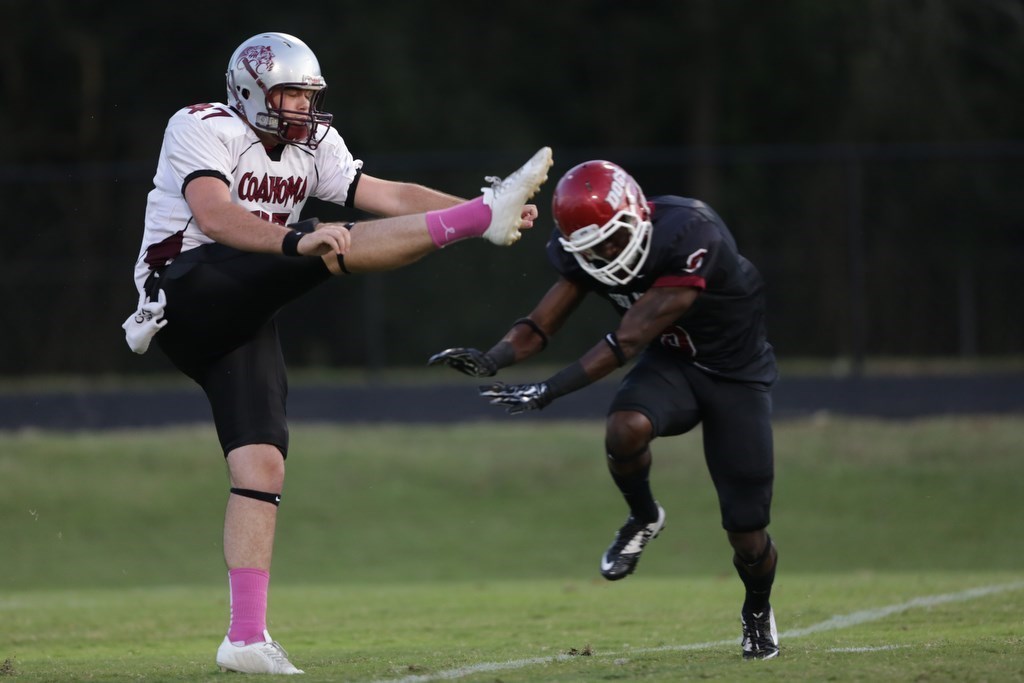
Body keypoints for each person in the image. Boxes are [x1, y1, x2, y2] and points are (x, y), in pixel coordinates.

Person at [122, 31, 552, 675]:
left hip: (243, 312)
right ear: (250, 92)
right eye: (290, 93)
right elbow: (213, 217)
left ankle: (245, 638)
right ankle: (476, 222)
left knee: (263, 464)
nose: (303, 106)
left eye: (308, 94)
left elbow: (392, 196)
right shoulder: (202, 125)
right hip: (185, 291)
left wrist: (479, 208)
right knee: (329, 243)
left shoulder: (313, 145)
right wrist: (297, 242)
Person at [429, 160, 781, 660]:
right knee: (624, 428)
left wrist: (548, 390)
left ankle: (757, 610)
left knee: (746, 532)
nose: (606, 254)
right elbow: (540, 325)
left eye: (612, 239)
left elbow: (628, 339)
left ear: (636, 214)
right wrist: (493, 359)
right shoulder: (589, 249)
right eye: (592, 247)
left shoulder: (691, 233)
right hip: (674, 361)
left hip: (735, 375)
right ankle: (643, 516)